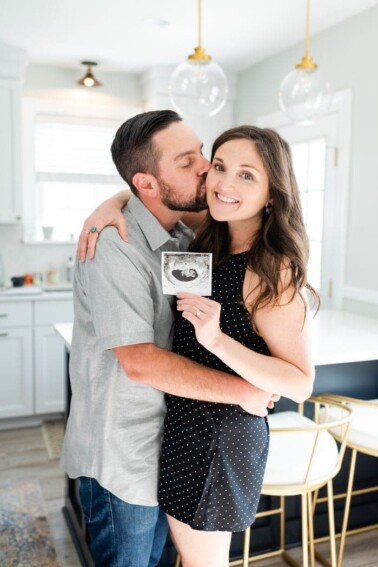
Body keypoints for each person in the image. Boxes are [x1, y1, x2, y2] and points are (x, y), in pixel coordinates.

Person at [78, 123, 317, 567]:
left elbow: (301, 382)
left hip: (221, 440)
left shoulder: (270, 268)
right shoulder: (210, 230)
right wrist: (105, 206)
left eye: (247, 175)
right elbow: (146, 195)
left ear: (272, 193)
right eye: (219, 165)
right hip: (185, 431)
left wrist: (218, 341)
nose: (221, 181)